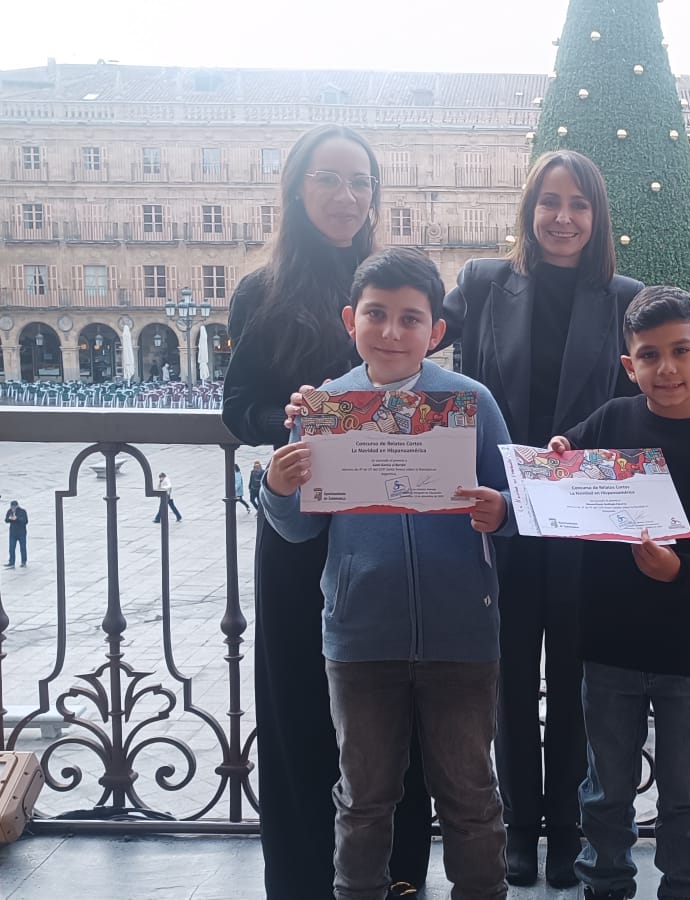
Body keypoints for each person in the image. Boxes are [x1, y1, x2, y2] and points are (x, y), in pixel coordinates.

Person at [260, 247, 515, 900]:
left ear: (436, 331)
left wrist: (501, 514)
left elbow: (513, 505)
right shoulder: (324, 410)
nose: (393, 332)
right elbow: (300, 530)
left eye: (410, 318)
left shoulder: (473, 403)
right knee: (363, 796)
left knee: (471, 795)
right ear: (351, 320)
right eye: (377, 314)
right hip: (361, 638)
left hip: (461, 637)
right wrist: (279, 489)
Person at [220, 124, 433, 900]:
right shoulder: (261, 290)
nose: (347, 197)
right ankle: (305, 881)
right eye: (329, 180)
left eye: (361, 183)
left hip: (389, 528)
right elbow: (236, 407)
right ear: (297, 190)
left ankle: (397, 878)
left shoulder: (397, 279)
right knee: (299, 711)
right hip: (300, 531)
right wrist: (290, 418)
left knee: (396, 705)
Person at [437, 149, 643, 887]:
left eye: (578, 204)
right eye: (549, 201)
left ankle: (569, 831)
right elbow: (415, 337)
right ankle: (518, 829)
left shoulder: (626, 298)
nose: (562, 217)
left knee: (580, 685)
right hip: (502, 515)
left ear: (597, 217)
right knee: (511, 680)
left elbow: (650, 396)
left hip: (585, 521)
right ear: (529, 209)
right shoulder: (485, 284)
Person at [546, 287, 690, 900]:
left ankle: (686, 887)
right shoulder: (611, 421)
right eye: (649, 355)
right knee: (605, 786)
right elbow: (566, 459)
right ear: (628, 365)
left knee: (687, 790)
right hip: (609, 647)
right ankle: (605, 883)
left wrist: (677, 572)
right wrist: (560, 452)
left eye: (680, 352)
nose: (666, 368)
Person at [4, 500, 30, 568]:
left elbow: (25, 521)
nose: (13, 508)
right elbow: (6, 520)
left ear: (17, 506)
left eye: (14, 507)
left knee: (23, 548)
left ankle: (23, 561)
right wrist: (10, 519)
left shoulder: (22, 511)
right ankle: (11, 562)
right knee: (11, 548)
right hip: (13, 533)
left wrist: (17, 519)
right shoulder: (9, 511)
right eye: (12, 507)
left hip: (21, 532)